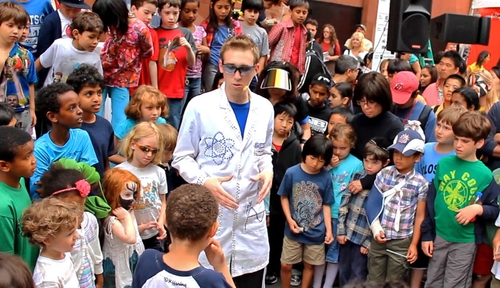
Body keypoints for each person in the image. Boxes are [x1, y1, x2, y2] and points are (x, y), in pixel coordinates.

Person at [173, 35, 274, 287]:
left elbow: (264, 152)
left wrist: (268, 169)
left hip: (250, 217)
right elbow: (181, 157)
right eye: (230, 68)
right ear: (220, 66)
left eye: (244, 69)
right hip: (211, 214)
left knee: (250, 275)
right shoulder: (200, 106)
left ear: (256, 69)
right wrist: (204, 180)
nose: (237, 76)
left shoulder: (265, 108)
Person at [422, 111, 500, 288]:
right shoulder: (444, 164)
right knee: (432, 281)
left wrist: (478, 209)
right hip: (439, 235)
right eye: (457, 138)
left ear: (479, 143)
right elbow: (431, 201)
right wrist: (427, 234)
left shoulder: (485, 175)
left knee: (454, 284)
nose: (458, 144)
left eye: (465, 141)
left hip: (464, 241)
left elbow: (494, 209)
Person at [132, 184, 236, 287]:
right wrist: (221, 266)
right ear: (213, 229)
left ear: (166, 222)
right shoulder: (212, 281)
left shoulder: (147, 260)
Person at [365, 128, 428, 281]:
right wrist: (376, 229)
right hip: (380, 235)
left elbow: (420, 216)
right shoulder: (384, 174)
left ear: (417, 157)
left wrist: (414, 244)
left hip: (402, 240)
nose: (398, 158)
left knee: (395, 281)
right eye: (396, 153)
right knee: (374, 279)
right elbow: (372, 203)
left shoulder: (421, 183)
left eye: (405, 155)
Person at [278, 135, 334, 288]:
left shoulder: (326, 177)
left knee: (309, 266)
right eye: (313, 158)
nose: (316, 164)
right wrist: (289, 220)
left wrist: (329, 230)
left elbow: (326, 204)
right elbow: (284, 197)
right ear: (305, 154)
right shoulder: (292, 172)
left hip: (316, 231)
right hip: (293, 229)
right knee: (286, 265)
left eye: (321, 160)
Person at [314, 124, 363, 288]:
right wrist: (328, 166)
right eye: (334, 147)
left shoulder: (356, 164)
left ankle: (327, 285)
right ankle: (316, 284)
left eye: (343, 148)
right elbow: (316, 177)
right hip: (320, 212)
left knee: (334, 252)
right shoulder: (324, 159)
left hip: (340, 215)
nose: (338, 152)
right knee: (319, 252)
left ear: (352, 145)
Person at [39, 165, 104, 287]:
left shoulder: (90, 220)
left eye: (82, 204)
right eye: (71, 206)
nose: (79, 211)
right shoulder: (54, 234)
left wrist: (99, 276)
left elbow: (96, 250)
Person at [30, 83, 98, 199]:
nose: (80, 111)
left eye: (79, 105)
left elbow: (93, 180)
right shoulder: (40, 149)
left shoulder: (82, 136)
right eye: (72, 108)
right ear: (52, 116)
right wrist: (78, 180)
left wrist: (56, 183)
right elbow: (40, 192)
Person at [337, 138, 391, 286]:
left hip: (363, 239)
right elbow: (344, 204)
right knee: (343, 271)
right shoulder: (357, 176)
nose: (369, 166)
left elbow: (382, 216)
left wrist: (368, 243)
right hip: (347, 235)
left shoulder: (384, 185)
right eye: (367, 161)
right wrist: (341, 230)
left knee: (358, 274)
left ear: (385, 163)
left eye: (374, 163)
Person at [93, 0, 153, 129]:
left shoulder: (140, 29)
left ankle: (116, 148)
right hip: (101, 75)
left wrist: (129, 56)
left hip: (123, 79)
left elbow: (148, 52)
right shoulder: (110, 25)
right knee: (94, 114)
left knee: (120, 119)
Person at [117, 122, 168, 251]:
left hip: (154, 234)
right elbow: (116, 208)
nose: (149, 155)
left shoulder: (159, 172)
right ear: (133, 144)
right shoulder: (120, 172)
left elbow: (163, 201)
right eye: (145, 149)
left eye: (154, 151)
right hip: (130, 234)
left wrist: (161, 223)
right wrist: (135, 228)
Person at [265, 102, 301, 285]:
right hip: (265, 197)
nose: (284, 124)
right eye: (281, 119)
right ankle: (267, 268)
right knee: (266, 235)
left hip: (284, 199)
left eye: (289, 121)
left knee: (280, 236)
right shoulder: (264, 141)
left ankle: (278, 269)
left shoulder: (294, 145)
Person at [66, 64, 116, 179]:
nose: (96, 99)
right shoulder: (70, 128)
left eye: (99, 93)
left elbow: (106, 161)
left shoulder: (105, 125)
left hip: (98, 190)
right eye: (89, 94)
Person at [0, 127, 38, 270]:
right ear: (4, 165)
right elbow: (5, 264)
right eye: (27, 157)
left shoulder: (20, 179)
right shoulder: (2, 207)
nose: (34, 161)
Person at [22, 197, 81, 287]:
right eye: (70, 234)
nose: (76, 236)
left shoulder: (63, 252)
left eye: (75, 231)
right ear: (47, 240)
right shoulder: (47, 277)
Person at [101, 168, 145, 288]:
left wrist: (143, 227)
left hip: (134, 256)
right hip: (119, 265)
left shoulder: (128, 211)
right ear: (113, 194)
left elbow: (133, 231)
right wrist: (126, 217)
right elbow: (130, 238)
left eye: (134, 194)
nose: (132, 198)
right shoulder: (112, 221)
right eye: (127, 194)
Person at [156, 0, 196, 129]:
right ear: (159, 12)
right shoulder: (154, 33)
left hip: (176, 89)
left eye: (175, 13)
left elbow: (191, 62)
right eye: (167, 13)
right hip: (157, 88)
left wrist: (188, 48)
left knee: (173, 126)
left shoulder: (185, 33)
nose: (171, 17)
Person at [36, 11, 103, 86]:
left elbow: (98, 82)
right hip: (51, 94)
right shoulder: (59, 46)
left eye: (98, 38)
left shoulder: (95, 57)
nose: (95, 42)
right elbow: (40, 63)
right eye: (91, 37)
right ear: (76, 34)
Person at [0, 2, 37, 134]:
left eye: (20, 27)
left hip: (22, 111)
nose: (16, 31)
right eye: (10, 25)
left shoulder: (26, 55)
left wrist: (32, 109)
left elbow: (31, 82)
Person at [256, 61, 311, 142]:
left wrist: (303, 144)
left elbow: (306, 129)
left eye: (280, 88)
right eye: (272, 86)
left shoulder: (297, 101)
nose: (276, 91)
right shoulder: (256, 99)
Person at [114, 85, 169, 159]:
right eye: (149, 108)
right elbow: (112, 154)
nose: (155, 112)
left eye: (158, 108)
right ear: (137, 107)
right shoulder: (125, 127)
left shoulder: (161, 123)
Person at [201, 0, 242, 90]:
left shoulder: (235, 25)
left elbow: (239, 46)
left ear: (231, 6)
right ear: (212, 5)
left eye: (226, 7)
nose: (223, 11)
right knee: (212, 92)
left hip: (230, 66)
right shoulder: (205, 25)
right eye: (219, 7)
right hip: (212, 64)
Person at [178, 0, 209, 109]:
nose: (191, 15)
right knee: (180, 109)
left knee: (194, 108)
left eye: (195, 12)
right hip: (182, 77)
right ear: (180, 10)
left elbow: (206, 56)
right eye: (187, 11)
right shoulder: (176, 29)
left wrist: (206, 50)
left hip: (197, 76)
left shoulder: (200, 30)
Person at [391, 71, 437, 142]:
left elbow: (431, 145)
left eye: (402, 98)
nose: (397, 102)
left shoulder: (427, 115)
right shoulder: (389, 107)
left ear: (416, 94)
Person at [268, 0, 309, 74]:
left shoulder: (304, 32)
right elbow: (266, 45)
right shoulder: (281, 27)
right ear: (290, 11)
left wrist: (300, 72)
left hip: (295, 72)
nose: (301, 15)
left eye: (304, 13)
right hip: (278, 69)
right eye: (298, 12)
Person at [129, 0, 160, 91]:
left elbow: (152, 62)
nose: (149, 17)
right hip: (125, 84)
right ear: (134, 9)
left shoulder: (152, 33)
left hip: (144, 85)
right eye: (146, 12)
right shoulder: (124, 30)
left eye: (153, 14)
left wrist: (155, 88)